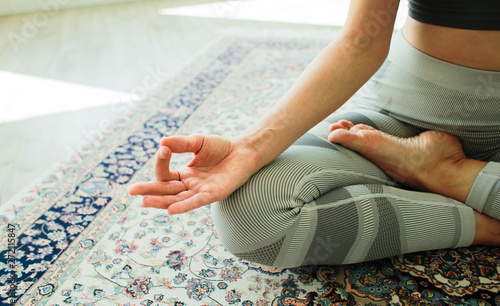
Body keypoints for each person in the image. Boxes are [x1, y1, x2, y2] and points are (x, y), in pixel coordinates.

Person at [129, 0, 500, 268]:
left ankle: (448, 174)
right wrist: (250, 148)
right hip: (402, 113)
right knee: (253, 219)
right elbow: (360, 41)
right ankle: (481, 214)